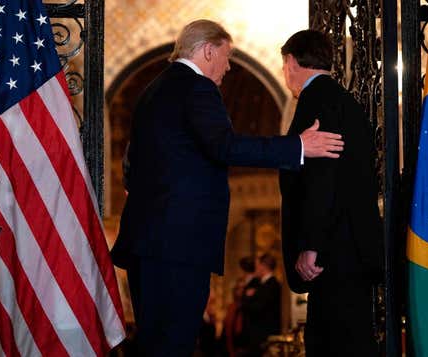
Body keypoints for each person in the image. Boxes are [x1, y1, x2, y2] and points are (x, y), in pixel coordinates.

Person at [110, 20, 344, 356]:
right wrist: (298, 147)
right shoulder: (198, 88)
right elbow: (226, 146)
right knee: (174, 345)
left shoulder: (153, 90)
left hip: (147, 243)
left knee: (154, 346)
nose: (229, 66)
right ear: (208, 50)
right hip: (181, 246)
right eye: (226, 55)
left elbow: (132, 160)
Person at [278, 30, 383, 356]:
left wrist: (310, 245)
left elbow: (321, 179)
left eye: (284, 67)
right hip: (354, 248)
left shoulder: (316, 102)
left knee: (332, 345)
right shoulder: (346, 101)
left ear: (291, 61)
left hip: (332, 254)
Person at [241, 253, 281, 357]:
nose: (255, 268)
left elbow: (257, 308)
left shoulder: (272, 284)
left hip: (263, 335)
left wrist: (248, 298)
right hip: (258, 335)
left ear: (263, 266)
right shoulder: (261, 284)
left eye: (257, 265)